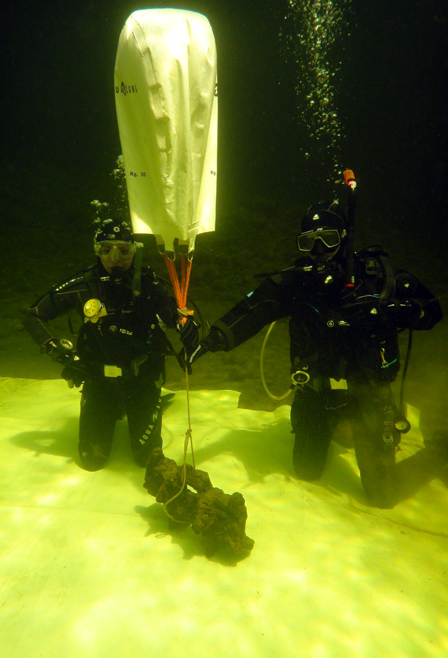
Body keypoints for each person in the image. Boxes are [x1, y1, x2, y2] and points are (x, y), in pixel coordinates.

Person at [187, 200, 445, 508]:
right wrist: (211, 340)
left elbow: (432, 311)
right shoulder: (297, 284)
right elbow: (253, 310)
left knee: (383, 495)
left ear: (344, 238)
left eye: (328, 239)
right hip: (317, 388)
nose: (319, 250)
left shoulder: (376, 279)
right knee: (306, 469)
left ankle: (438, 450)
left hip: (368, 390)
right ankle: (342, 424)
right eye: (309, 242)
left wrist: (395, 310)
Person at [24, 209, 185, 471]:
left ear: (135, 251)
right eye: (106, 250)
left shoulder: (151, 286)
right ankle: (114, 407)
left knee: (147, 459)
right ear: (96, 251)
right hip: (98, 379)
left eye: (123, 251)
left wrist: (184, 324)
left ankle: (135, 406)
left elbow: (174, 319)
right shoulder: (84, 285)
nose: (115, 259)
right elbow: (34, 316)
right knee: (92, 459)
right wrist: (55, 348)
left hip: (142, 380)